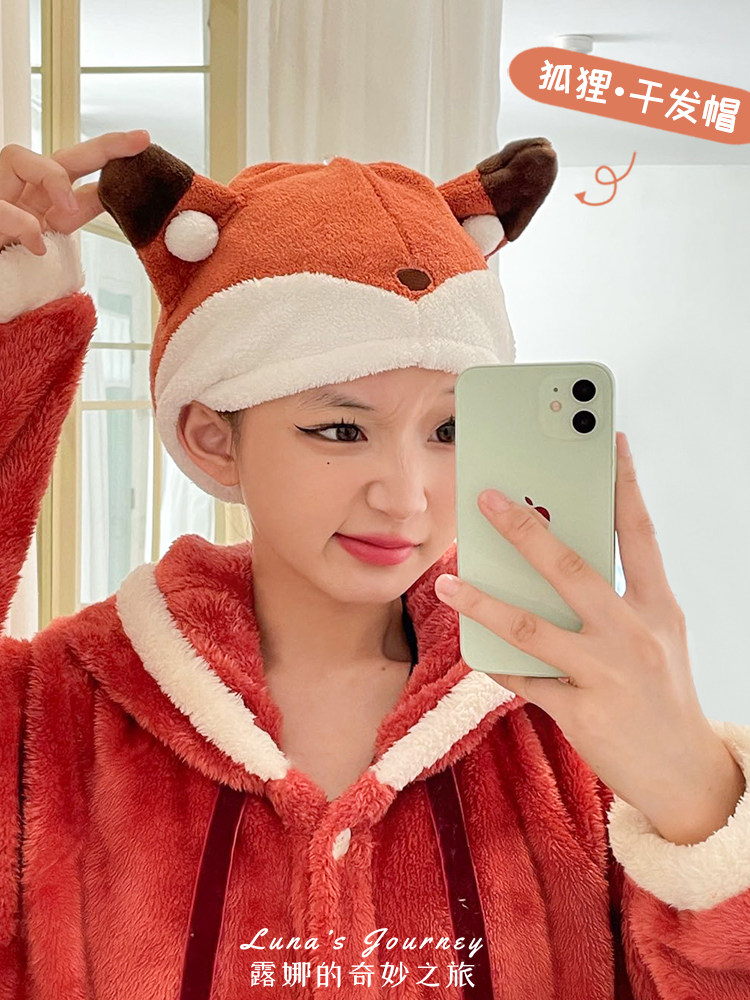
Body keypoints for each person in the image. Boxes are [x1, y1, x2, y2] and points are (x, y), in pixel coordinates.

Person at [0, 130, 748, 1000]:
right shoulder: (56, 712)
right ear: (213, 439)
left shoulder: (570, 721)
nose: (407, 497)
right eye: (342, 428)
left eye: (451, 429)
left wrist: (698, 803)